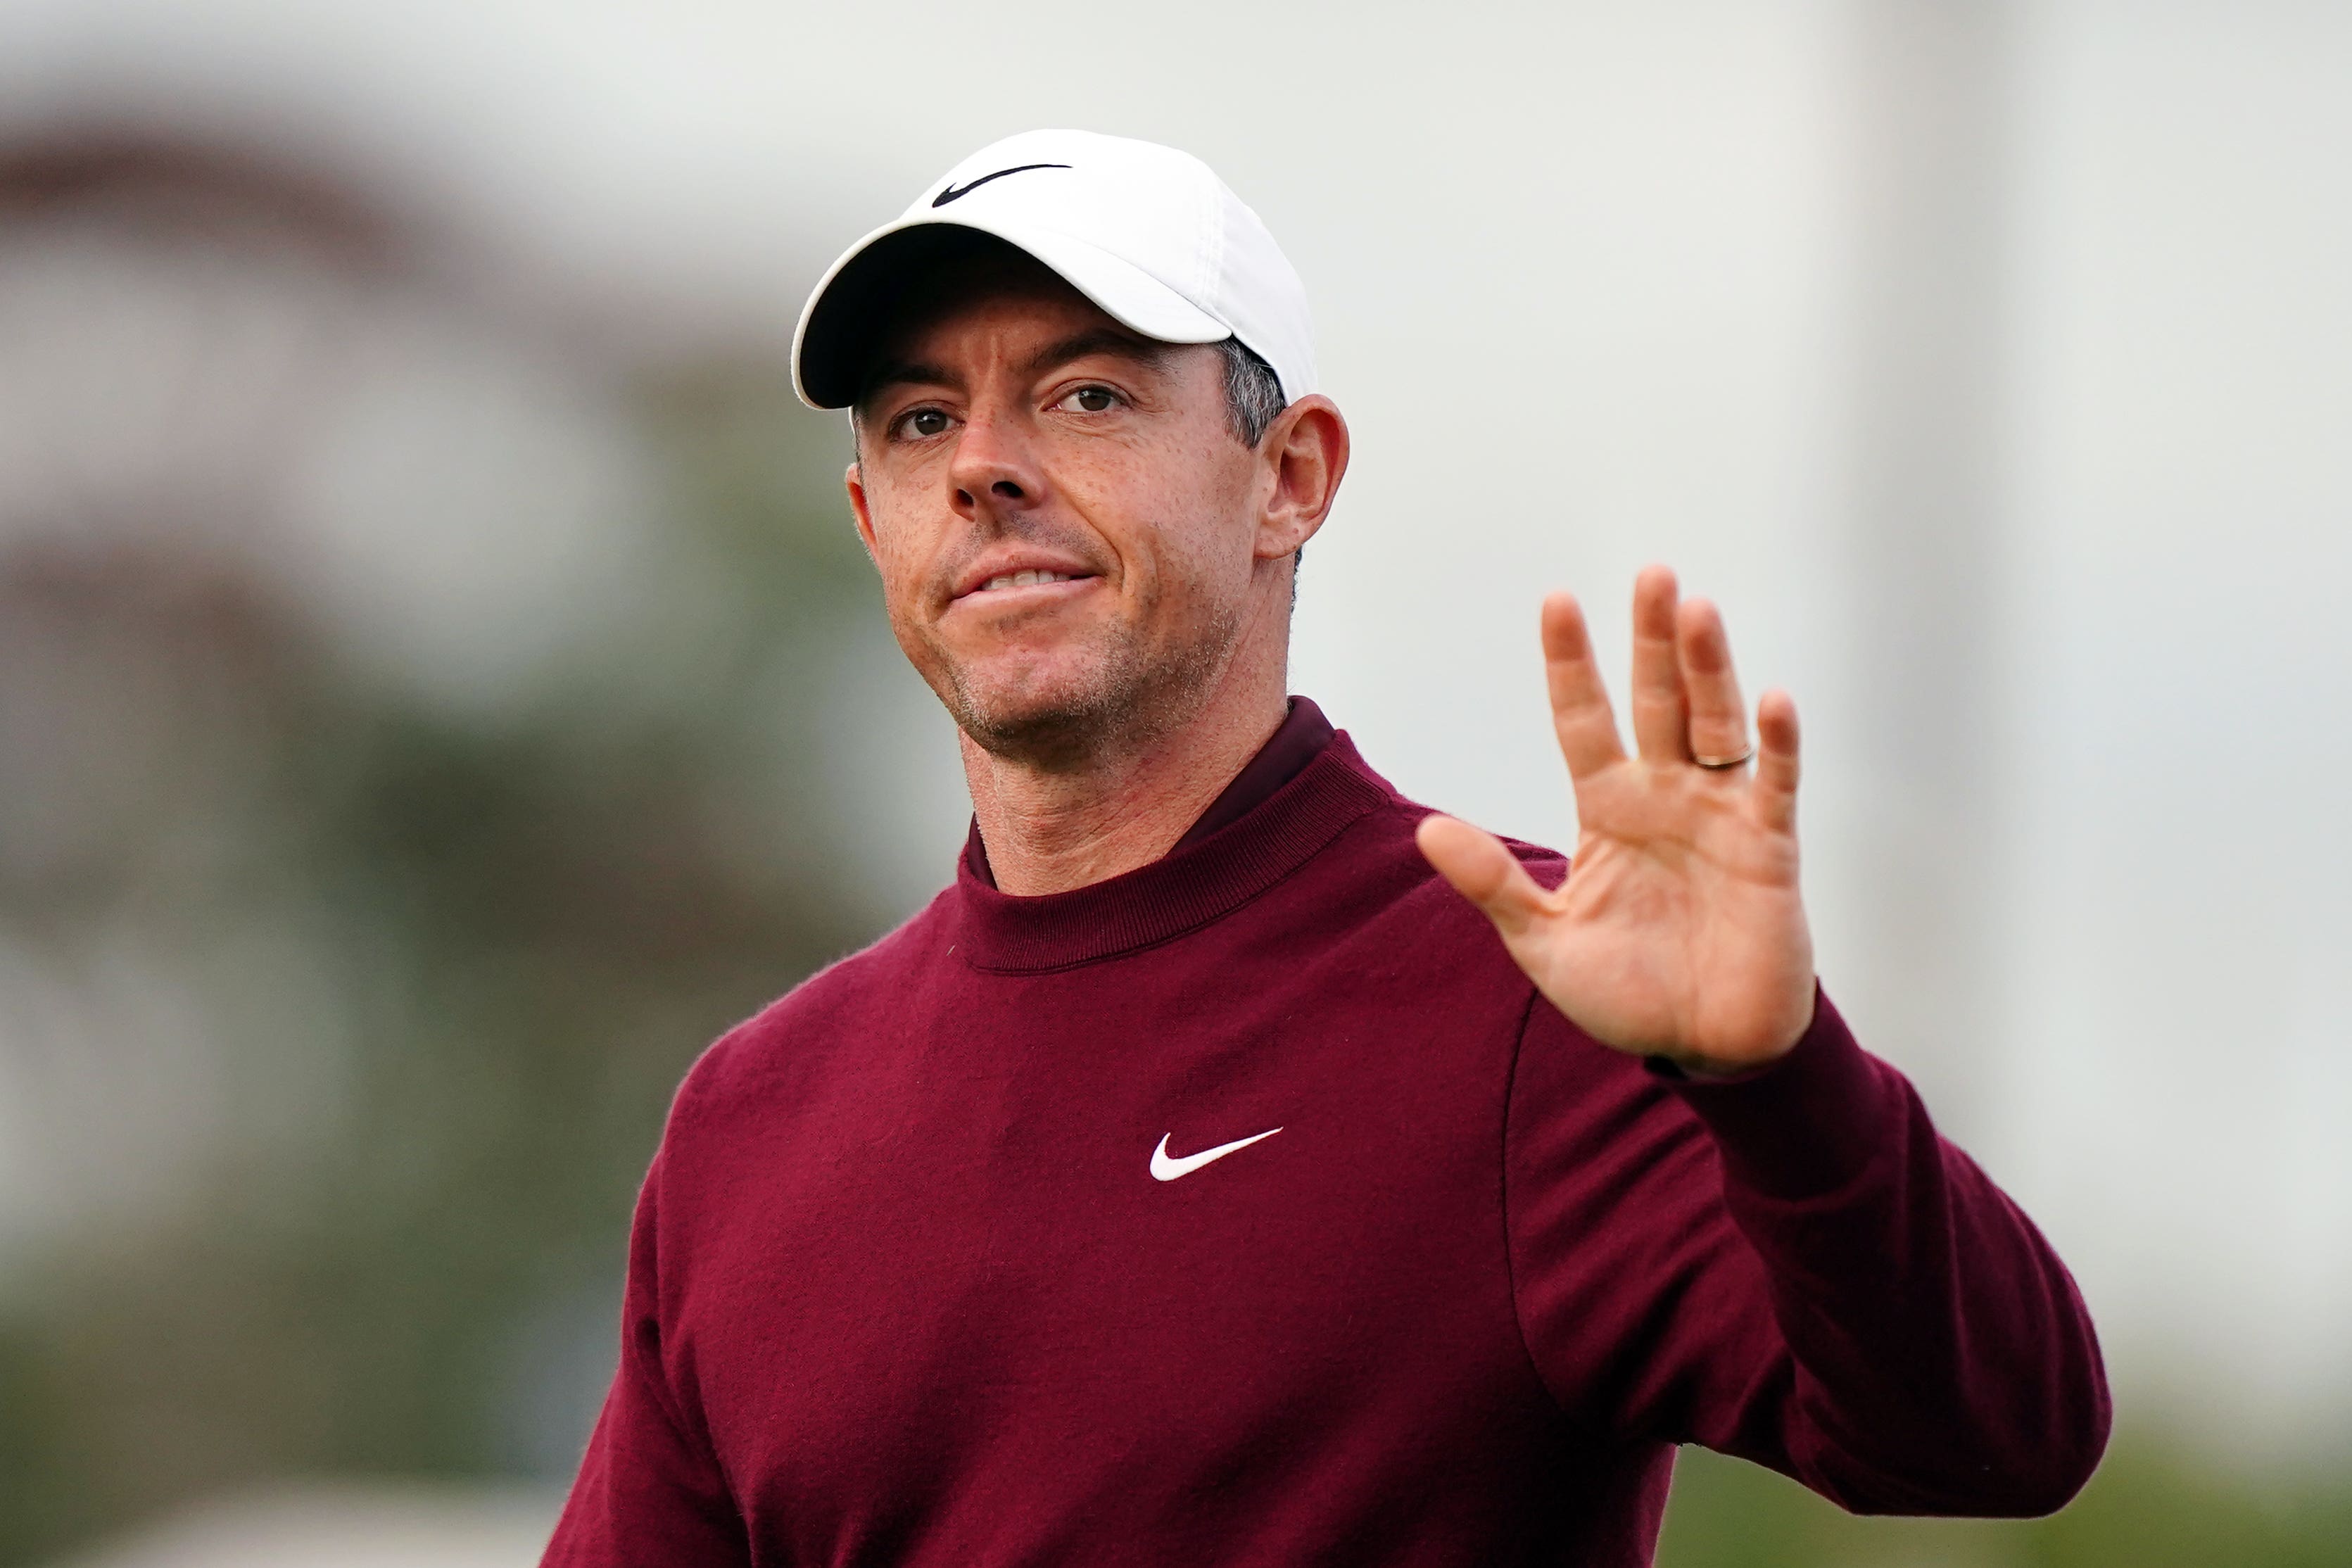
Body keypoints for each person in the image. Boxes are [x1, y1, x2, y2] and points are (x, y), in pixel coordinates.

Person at [543, 129, 2108, 1567]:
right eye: (921, 420)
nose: (984, 466)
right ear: (876, 520)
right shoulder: (754, 1122)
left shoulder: (1553, 999)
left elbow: (2001, 1436)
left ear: (1289, 477)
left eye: (1089, 395)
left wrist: (1780, 1078)